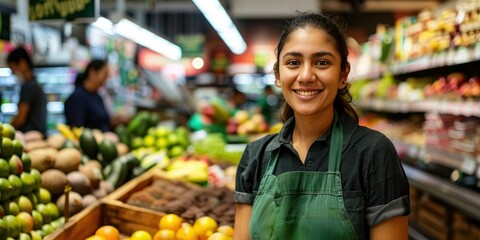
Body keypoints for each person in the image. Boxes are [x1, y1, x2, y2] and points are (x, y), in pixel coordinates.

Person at [234, 13, 410, 240]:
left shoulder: (373, 153)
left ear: (343, 74)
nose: (306, 75)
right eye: (293, 63)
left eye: (322, 62)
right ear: (278, 75)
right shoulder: (256, 156)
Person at [7, 46, 47, 135]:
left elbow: (21, 119)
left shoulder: (29, 87)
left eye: (13, 69)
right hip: (37, 136)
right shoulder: (35, 84)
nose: (14, 73)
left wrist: (5, 130)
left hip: (30, 138)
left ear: (22, 63)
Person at [64, 59, 112, 132]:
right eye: (104, 75)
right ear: (92, 72)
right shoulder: (77, 98)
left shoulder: (97, 97)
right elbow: (76, 129)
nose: (106, 80)